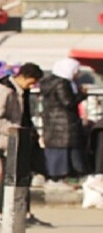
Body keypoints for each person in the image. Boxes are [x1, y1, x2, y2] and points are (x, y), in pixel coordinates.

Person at [0, 63, 51, 227]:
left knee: (23, 176)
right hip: (5, 140)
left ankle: (23, 212)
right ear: (23, 77)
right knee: (9, 177)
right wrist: (16, 130)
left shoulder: (21, 91)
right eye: (31, 82)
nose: (32, 86)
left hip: (20, 139)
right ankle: (1, 214)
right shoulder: (4, 91)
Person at [40, 58, 89, 189]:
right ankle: (65, 176)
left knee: (57, 152)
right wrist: (81, 95)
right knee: (69, 152)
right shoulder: (63, 83)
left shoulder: (50, 83)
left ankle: (56, 176)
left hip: (53, 123)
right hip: (65, 123)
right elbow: (68, 102)